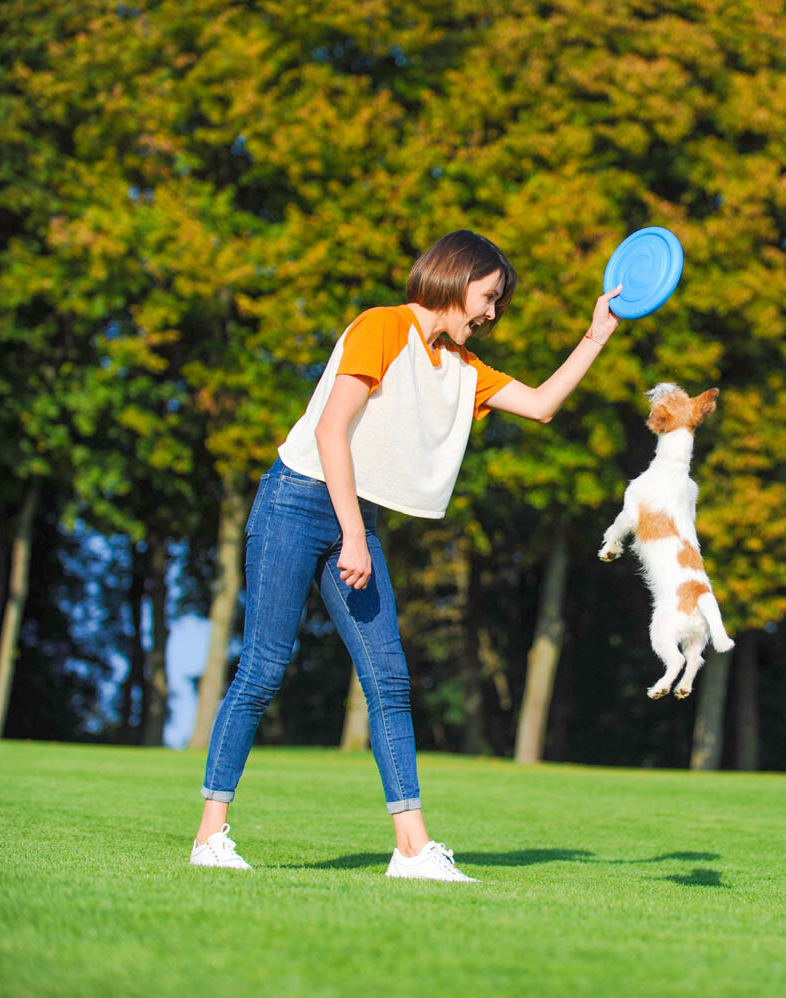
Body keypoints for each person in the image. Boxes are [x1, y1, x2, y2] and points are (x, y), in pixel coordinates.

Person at [189, 230, 622, 881]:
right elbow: (333, 430)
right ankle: (210, 838)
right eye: (488, 296)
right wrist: (354, 534)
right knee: (265, 667)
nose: (491, 313)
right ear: (454, 279)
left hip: (349, 515)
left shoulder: (460, 369)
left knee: (388, 676)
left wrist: (598, 334)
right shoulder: (382, 327)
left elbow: (540, 406)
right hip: (296, 500)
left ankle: (413, 850)